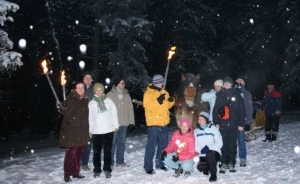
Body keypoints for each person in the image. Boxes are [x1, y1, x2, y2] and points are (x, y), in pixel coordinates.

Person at [143, 74, 175, 175]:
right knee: (151, 146)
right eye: (161, 82)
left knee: (163, 146)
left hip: (164, 124)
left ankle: (160, 163)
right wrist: (158, 101)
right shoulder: (148, 93)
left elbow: (167, 106)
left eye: (163, 82)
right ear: (157, 83)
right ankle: (148, 166)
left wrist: (171, 101)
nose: (163, 84)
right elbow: (148, 106)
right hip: (153, 125)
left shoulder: (164, 92)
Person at [213, 76, 245, 173]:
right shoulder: (219, 95)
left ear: (231, 84)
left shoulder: (237, 95)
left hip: (234, 125)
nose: (227, 84)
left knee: (232, 145)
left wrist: (241, 124)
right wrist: (216, 122)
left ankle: (231, 163)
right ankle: (223, 163)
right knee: (224, 145)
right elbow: (215, 110)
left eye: (228, 83)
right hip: (222, 124)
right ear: (223, 85)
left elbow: (241, 111)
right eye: (225, 83)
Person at [59, 82, 89, 182]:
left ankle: (76, 172)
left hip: (82, 132)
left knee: (79, 154)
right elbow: (63, 110)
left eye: (82, 88)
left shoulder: (85, 100)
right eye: (79, 88)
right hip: (72, 132)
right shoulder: (70, 99)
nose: (81, 89)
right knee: (70, 155)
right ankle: (67, 174)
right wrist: (63, 106)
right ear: (75, 89)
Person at [89, 83, 119, 178]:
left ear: (103, 91)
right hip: (96, 131)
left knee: (107, 151)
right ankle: (97, 169)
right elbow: (90, 118)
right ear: (94, 91)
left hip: (108, 130)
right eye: (97, 90)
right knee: (96, 152)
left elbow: (114, 113)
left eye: (101, 90)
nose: (99, 92)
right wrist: (90, 130)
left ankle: (107, 168)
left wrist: (116, 125)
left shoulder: (109, 101)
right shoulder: (91, 103)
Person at [107, 76, 135, 168]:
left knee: (121, 143)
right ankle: (110, 162)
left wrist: (131, 122)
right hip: (113, 124)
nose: (124, 84)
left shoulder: (127, 95)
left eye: (124, 83)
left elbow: (130, 109)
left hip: (124, 123)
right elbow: (107, 110)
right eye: (122, 83)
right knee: (112, 144)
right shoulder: (110, 95)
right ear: (117, 84)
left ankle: (120, 161)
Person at [194, 111, 223, 182]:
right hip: (202, 153)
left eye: (202, 119)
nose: (200, 121)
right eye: (199, 119)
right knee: (201, 167)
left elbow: (219, 143)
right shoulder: (196, 131)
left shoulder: (214, 129)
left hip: (214, 152)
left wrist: (208, 148)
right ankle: (208, 167)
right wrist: (200, 150)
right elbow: (194, 144)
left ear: (206, 120)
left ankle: (213, 174)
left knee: (210, 154)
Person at [235, 76, 253, 167]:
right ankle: (231, 159)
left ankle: (243, 158)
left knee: (241, 140)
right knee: (231, 142)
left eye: (241, 81)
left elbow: (249, 109)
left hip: (241, 122)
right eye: (237, 81)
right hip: (232, 122)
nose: (239, 83)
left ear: (244, 83)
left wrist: (248, 121)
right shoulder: (232, 92)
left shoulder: (247, 94)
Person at [81, 72, 94, 171]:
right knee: (78, 143)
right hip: (80, 121)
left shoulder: (95, 90)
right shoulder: (79, 89)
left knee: (88, 143)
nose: (88, 79)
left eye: (89, 78)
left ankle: (84, 163)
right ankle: (77, 162)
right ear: (83, 79)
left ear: (92, 80)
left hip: (92, 121)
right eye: (86, 78)